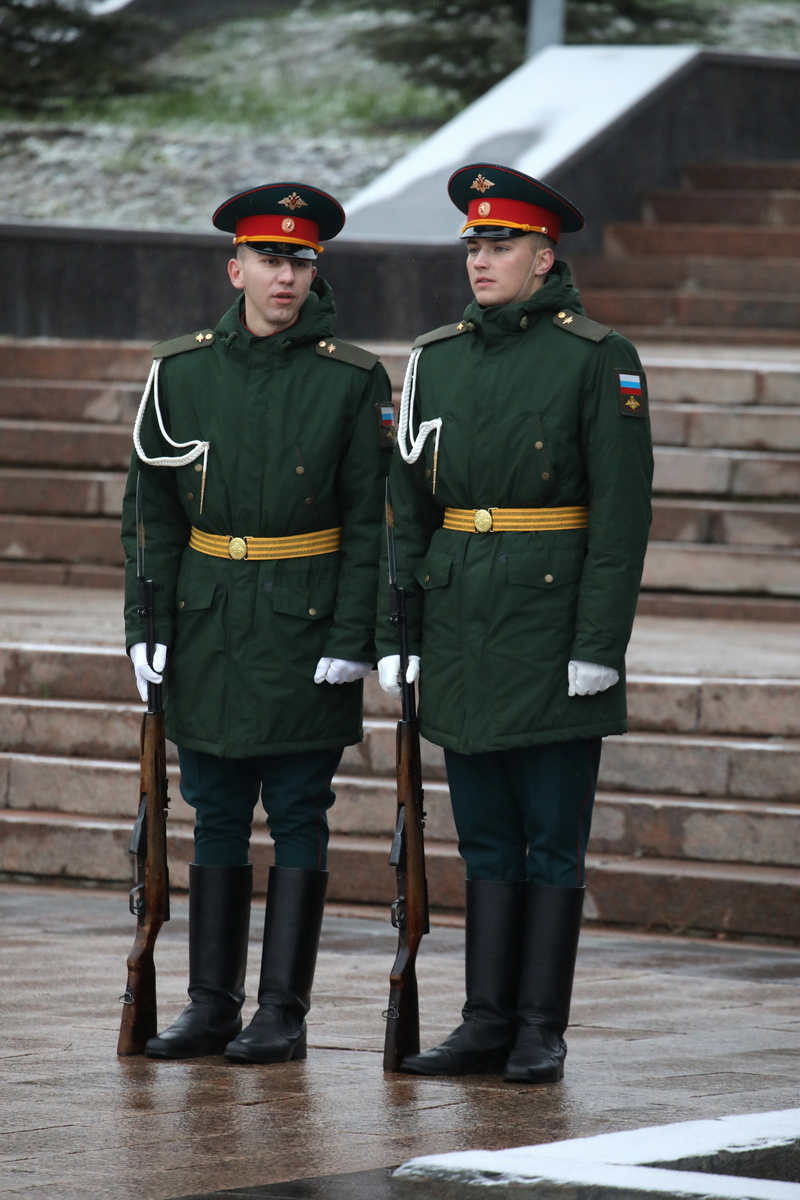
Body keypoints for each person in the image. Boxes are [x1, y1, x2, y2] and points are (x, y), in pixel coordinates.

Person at [376, 163, 653, 1083]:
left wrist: (598, 645)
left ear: (544, 256)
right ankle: (485, 1022)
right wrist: (399, 632)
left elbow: (621, 515)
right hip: (462, 622)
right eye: (474, 246)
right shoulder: (438, 358)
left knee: (551, 840)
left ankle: (539, 1027)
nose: (481, 259)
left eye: (501, 245)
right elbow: (407, 510)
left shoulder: (597, 357)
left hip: (550, 627)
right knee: (485, 838)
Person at [121, 182, 394, 1063]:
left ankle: (282, 1013)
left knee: (300, 813)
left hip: (304, 625)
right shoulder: (180, 371)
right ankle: (210, 1006)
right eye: (269, 259)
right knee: (215, 813)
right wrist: (145, 623)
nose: (286, 276)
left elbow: (370, 522)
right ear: (234, 268)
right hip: (207, 624)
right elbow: (152, 515)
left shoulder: (351, 378)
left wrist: (355, 637)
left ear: (316, 273)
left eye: (301, 262)